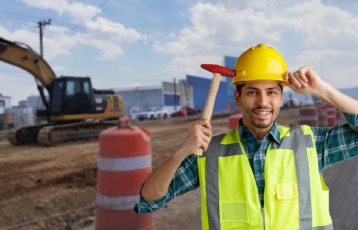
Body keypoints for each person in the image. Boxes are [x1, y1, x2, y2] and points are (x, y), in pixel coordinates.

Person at [134, 44, 358, 230]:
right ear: (238, 97)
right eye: (253, 92)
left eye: (271, 92)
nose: (263, 103)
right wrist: (181, 151)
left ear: (281, 97)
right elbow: (149, 200)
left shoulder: (312, 144)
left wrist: (324, 90)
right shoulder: (209, 154)